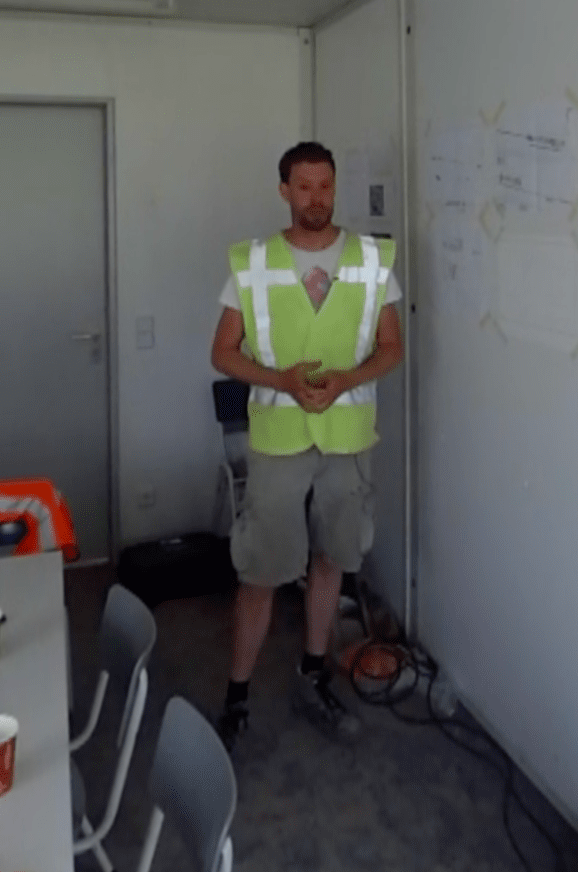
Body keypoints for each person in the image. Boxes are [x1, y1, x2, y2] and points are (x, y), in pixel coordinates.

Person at [208, 140, 404, 750]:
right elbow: (223, 351)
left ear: (335, 186)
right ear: (284, 191)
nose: (316, 198)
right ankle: (237, 696)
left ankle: (313, 675)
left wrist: (347, 377)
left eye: (326, 186)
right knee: (263, 568)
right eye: (304, 187)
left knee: (332, 559)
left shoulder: (373, 260)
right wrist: (283, 381)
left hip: (347, 436)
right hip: (279, 438)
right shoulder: (255, 261)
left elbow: (392, 347)